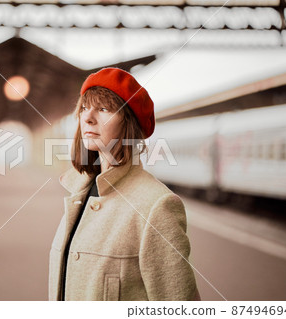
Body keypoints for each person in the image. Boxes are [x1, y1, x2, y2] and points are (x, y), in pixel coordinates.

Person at [48, 68, 200, 301]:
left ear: (128, 122)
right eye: (84, 108)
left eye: (104, 109)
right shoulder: (79, 191)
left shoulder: (156, 206)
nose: (88, 117)